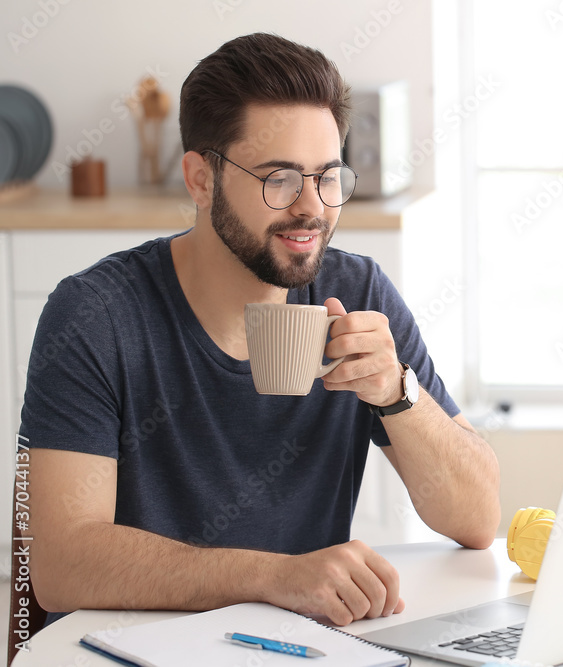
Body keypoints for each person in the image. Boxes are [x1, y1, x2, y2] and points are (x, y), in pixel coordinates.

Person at [21, 32, 500, 628]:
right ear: (200, 180)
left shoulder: (359, 295)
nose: (312, 207)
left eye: (328, 177)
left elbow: (478, 519)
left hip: (294, 646)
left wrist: (398, 393)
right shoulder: (96, 314)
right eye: (279, 178)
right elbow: (62, 565)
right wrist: (274, 575)